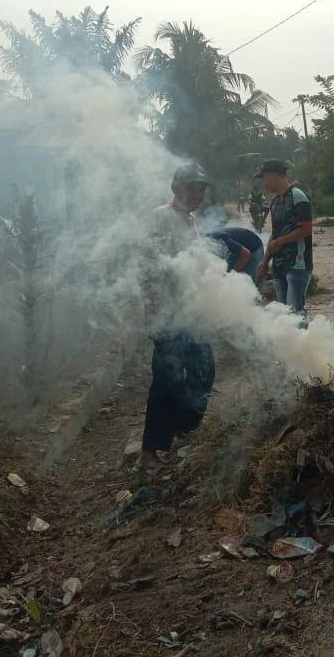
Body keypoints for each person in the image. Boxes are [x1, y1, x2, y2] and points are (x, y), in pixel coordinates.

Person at [140, 163, 217, 471]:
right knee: (166, 380)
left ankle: (184, 429)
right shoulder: (161, 217)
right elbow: (148, 267)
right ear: (175, 188)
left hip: (190, 312)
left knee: (204, 370)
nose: (198, 194)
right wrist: (154, 314)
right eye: (191, 187)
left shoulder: (191, 221)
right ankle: (150, 452)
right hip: (168, 315)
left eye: (201, 189)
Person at [256, 159, 314, 323]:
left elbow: (306, 229)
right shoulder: (275, 202)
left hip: (297, 264)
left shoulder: (298, 197)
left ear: (271, 176)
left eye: (264, 178)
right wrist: (265, 261)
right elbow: (274, 234)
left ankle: (303, 347)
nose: (264, 183)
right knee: (283, 313)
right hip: (279, 266)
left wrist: (281, 241)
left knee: (295, 312)